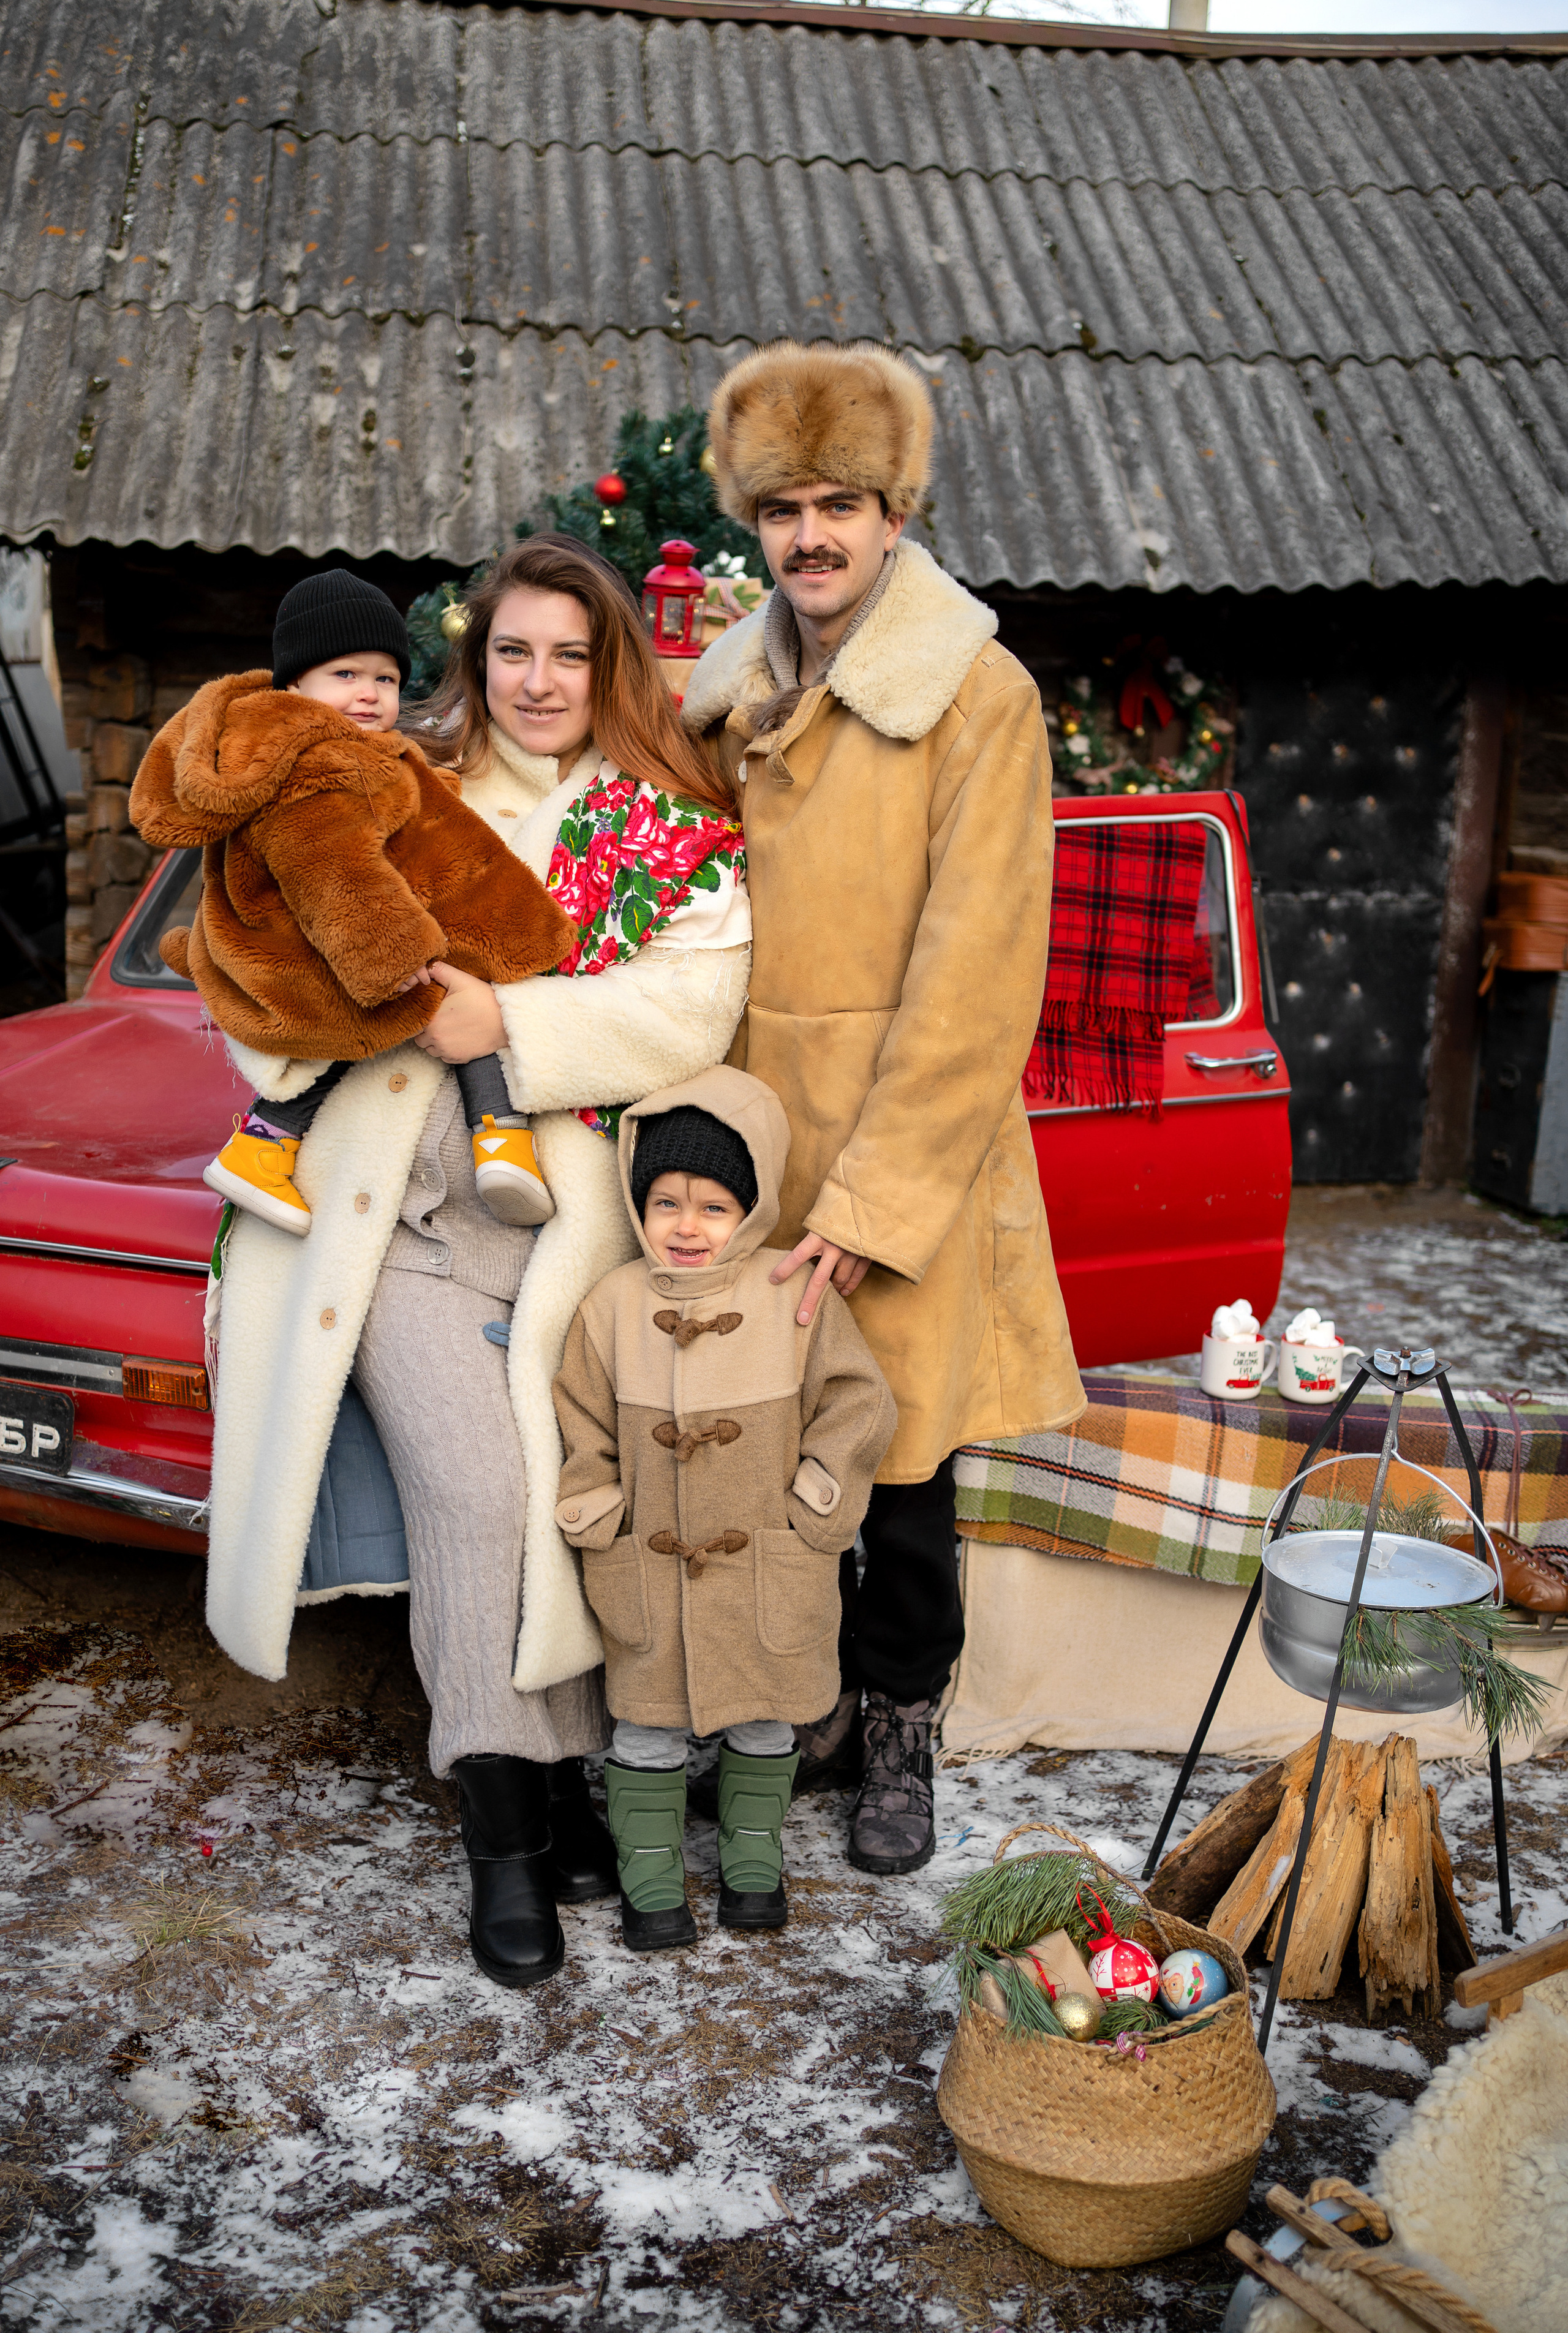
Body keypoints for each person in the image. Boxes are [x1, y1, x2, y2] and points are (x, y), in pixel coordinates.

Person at [200, 535, 752, 1989]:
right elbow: (260, 940)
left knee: (566, 1501)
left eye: (571, 652)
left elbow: (697, 998)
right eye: (514, 650)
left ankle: (565, 1787)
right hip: (396, 1231)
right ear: (476, 659)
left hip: (573, 1237)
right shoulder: (390, 785)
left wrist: (502, 1022)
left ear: (609, 664)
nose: (540, 679)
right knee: (478, 1486)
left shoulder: (658, 820)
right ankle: (502, 1831)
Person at [684, 341, 1087, 1879]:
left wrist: (870, 1199)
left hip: (902, 1145)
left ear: (894, 507)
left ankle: (902, 1714)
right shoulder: (729, 695)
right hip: (755, 1141)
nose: (810, 534)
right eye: (781, 504)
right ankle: (811, 1705)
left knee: (905, 1470)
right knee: (784, 1456)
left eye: (840, 500)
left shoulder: (974, 696)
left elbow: (979, 974)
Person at [552, 1067, 895, 1951]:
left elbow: (859, 1406)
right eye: (666, 1203)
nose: (688, 1227)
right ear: (638, 1207)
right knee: (645, 1728)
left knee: (766, 1714)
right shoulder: (613, 1308)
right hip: (650, 1572)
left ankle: (752, 1860)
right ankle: (652, 1881)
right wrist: (598, 1515)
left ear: (751, 1208)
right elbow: (582, 1423)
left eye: (713, 1206)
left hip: (769, 1565)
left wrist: (815, 1505)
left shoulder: (794, 1298)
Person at [130, 568, 572, 1237]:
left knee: (440, 1003)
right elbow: (333, 871)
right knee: (436, 1001)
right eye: (345, 676)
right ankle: (492, 1137)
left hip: (306, 944)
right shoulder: (316, 762)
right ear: (295, 687)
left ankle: (275, 1144)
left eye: (386, 679)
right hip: (327, 948)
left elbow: (391, 826)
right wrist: (389, 956)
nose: (369, 694)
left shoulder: (332, 752)